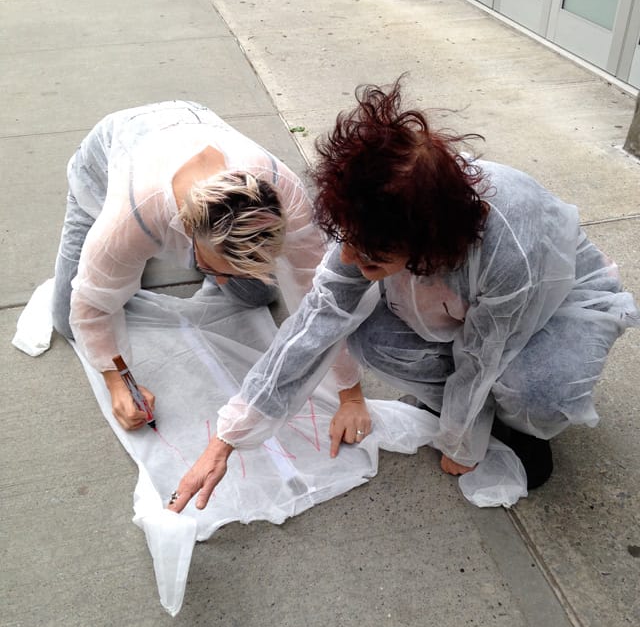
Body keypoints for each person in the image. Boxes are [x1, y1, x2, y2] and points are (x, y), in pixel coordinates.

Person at [168, 81, 639, 513]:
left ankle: (509, 422)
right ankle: (466, 408)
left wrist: (461, 442)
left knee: (535, 387)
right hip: (460, 296)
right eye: (345, 240)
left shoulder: (509, 246)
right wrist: (227, 438)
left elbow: (484, 353)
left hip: (551, 309)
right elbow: (314, 323)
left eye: (368, 253)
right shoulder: (377, 214)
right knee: (367, 335)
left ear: (425, 242)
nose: (349, 258)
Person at [53, 99, 368, 438]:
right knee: (66, 317)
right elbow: (91, 308)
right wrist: (119, 383)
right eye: (211, 266)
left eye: (231, 270)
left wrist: (350, 395)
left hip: (191, 120)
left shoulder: (284, 191)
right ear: (186, 228)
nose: (220, 280)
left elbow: (320, 296)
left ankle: (182, 261)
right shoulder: (130, 216)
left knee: (254, 294)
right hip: (109, 155)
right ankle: (142, 259)